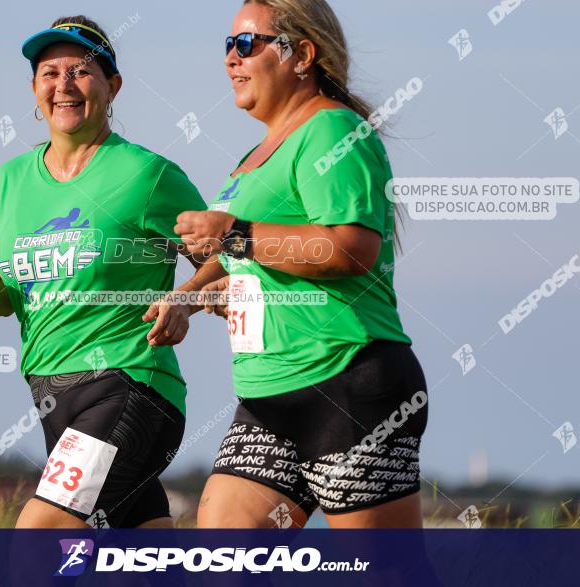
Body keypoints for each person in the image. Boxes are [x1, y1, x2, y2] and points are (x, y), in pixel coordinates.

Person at [0, 15, 214, 528]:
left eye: (81, 71)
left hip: (130, 385)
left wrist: (187, 297)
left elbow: (227, 258)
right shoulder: (9, 181)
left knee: (40, 534)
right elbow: (7, 296)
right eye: (49, 73)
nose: (63, 85)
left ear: (113, 86)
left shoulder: (148, 175)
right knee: (141, 563)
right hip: (51, 396)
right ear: (35, 88)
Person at [176, 0, 429, 528]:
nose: (231, 59)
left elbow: (351, 249)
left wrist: (235, 233)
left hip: (347, 382)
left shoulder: (333, 132)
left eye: (247, 44)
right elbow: (250, 252)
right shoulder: (254, 158)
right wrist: (190, 295)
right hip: (267, 392)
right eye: (227, 45)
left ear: (302, 55)